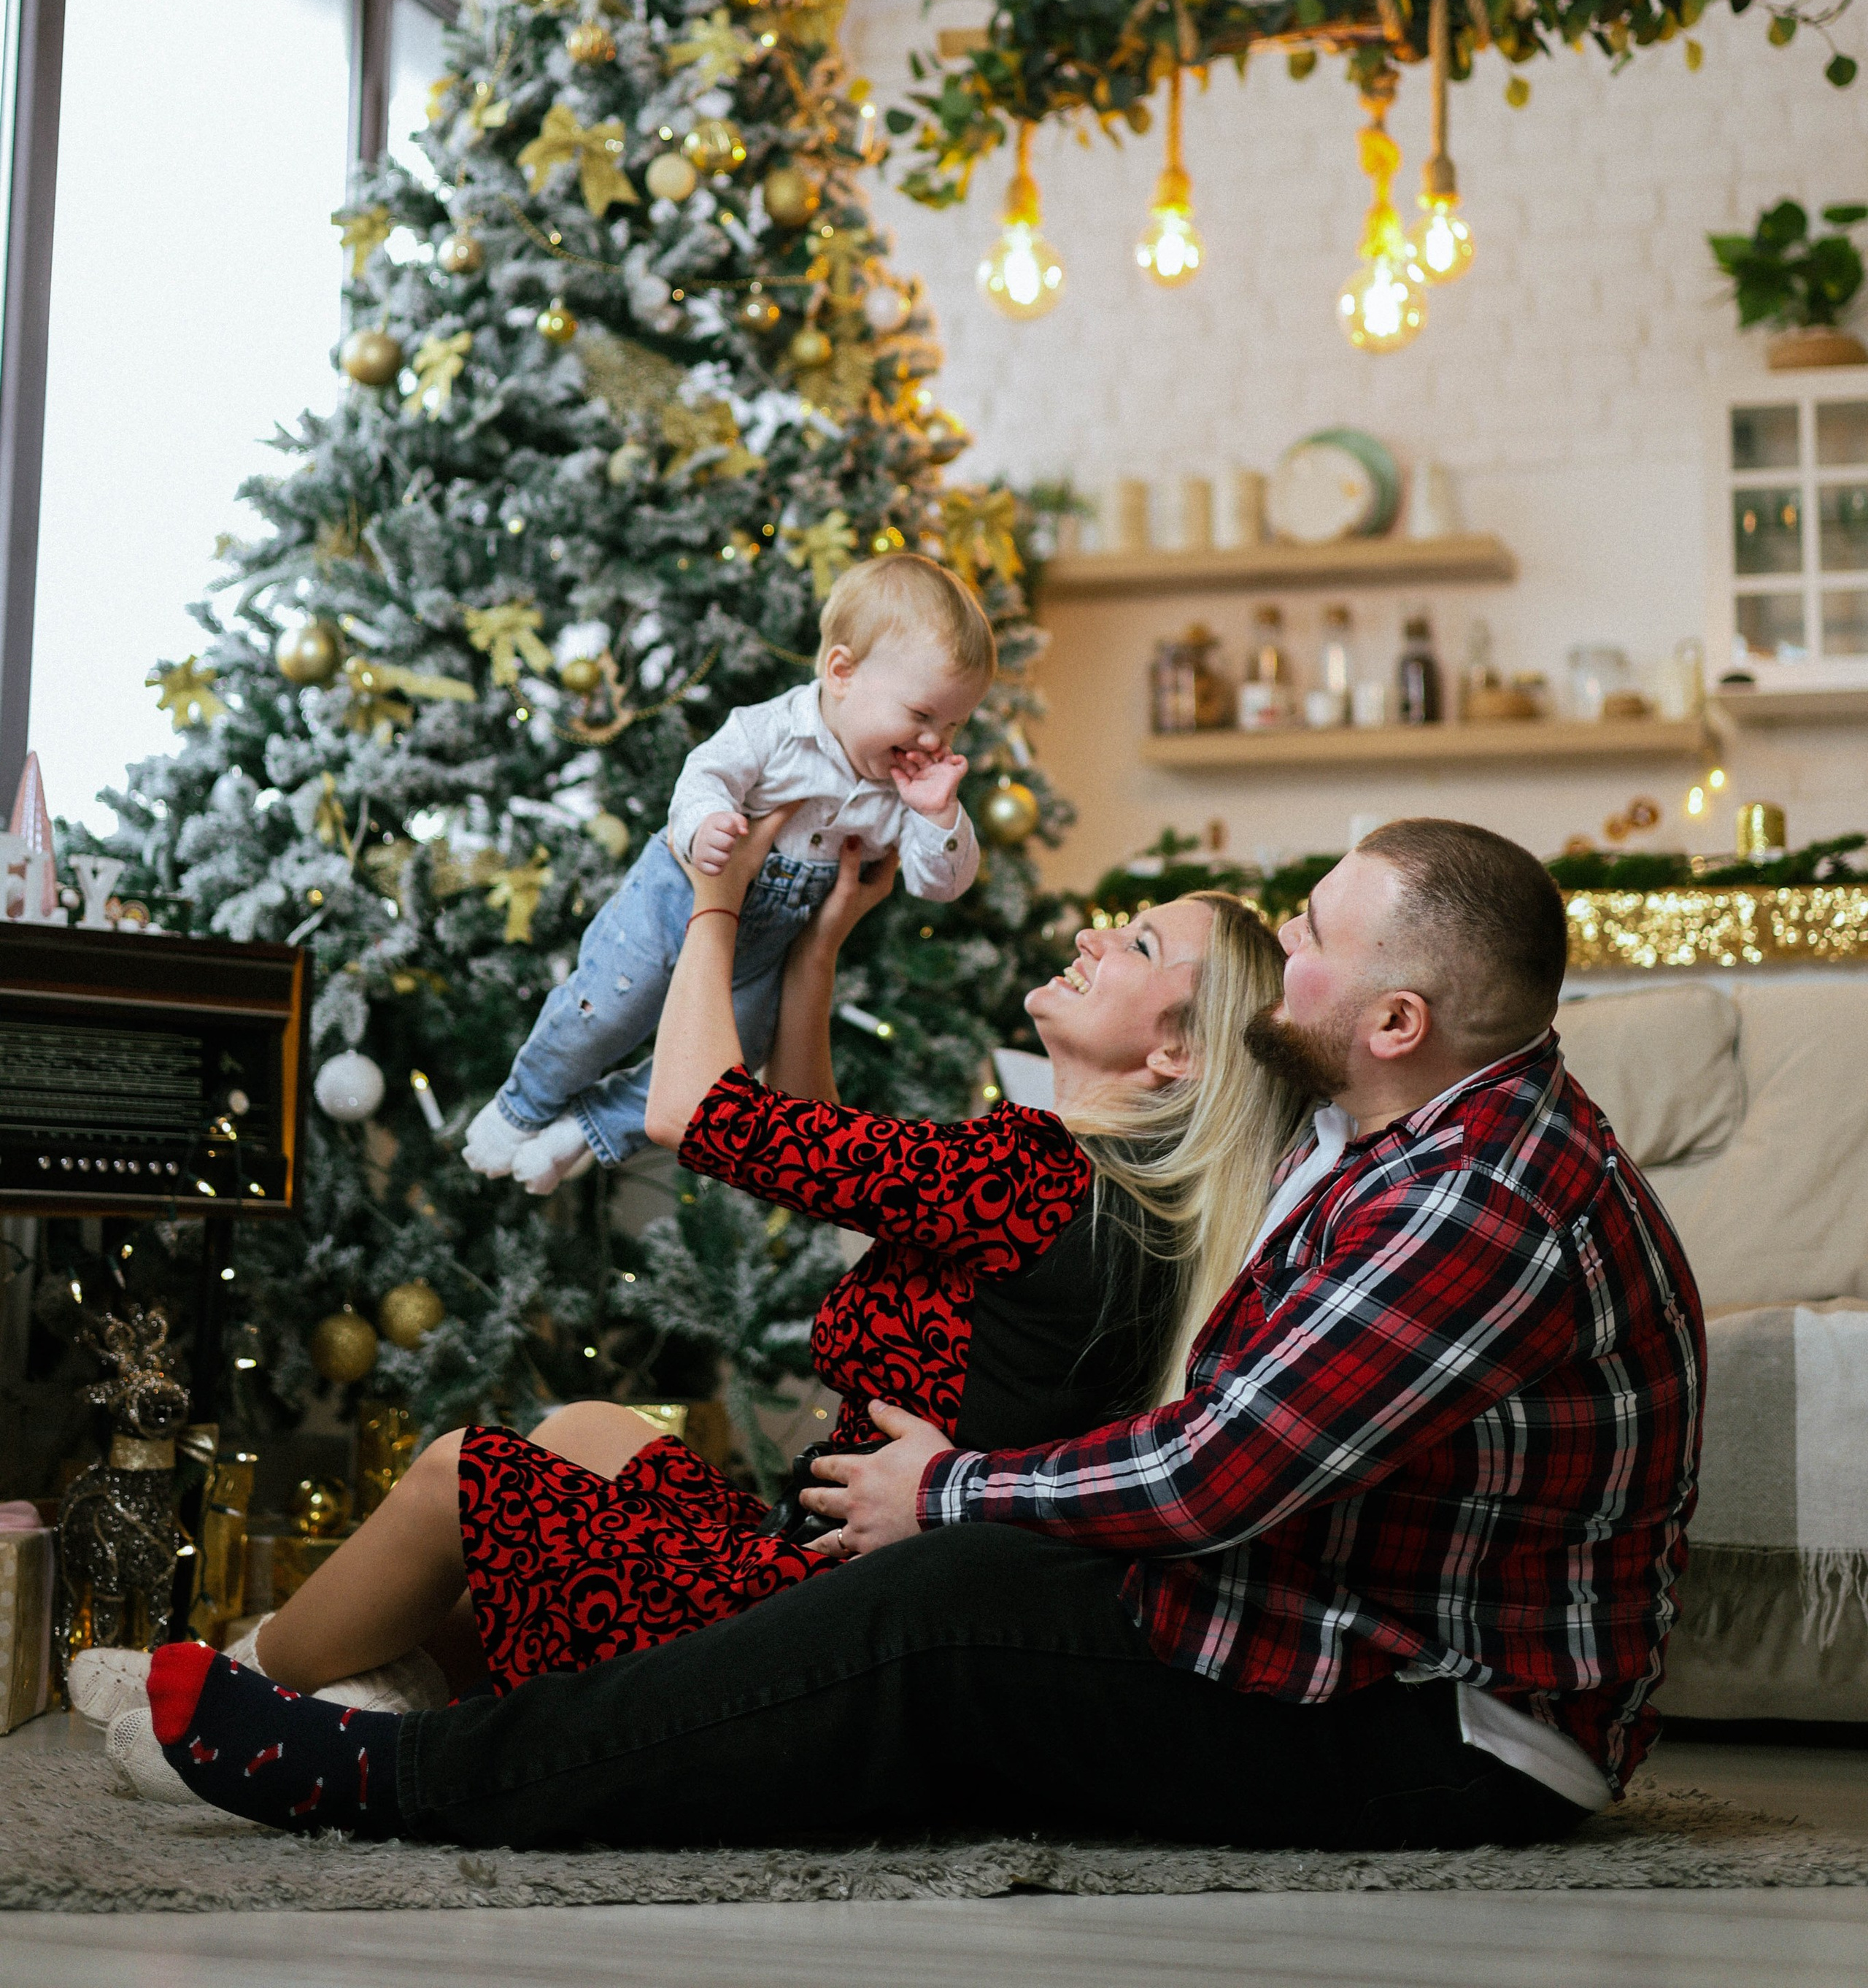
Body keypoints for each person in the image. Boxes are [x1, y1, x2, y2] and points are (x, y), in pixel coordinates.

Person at [139, 817, 1705, 1859]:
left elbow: (1218, 1470)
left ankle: (395, 1778)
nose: (1272, 963)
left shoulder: (1475, 1196)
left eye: (1304, 937)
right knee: (926, 1589)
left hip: (1449, 1729)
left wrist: (950, 1492)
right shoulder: (1383, 1148)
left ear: (1391, 1025)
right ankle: (476, 1727)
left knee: (938, 1604)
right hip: (1338, 1639)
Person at [99, 806, 1296, 1795]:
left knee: (465, 1471)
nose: (1095, 937)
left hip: (815, 1623)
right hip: (830, 1572)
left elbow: (696, 1114)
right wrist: (819, 947)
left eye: (1138, 948)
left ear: (1180, 1053)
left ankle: (231, 1690)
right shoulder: (1088, 1188)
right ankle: (348, 1687)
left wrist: (712, 897)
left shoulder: (1033, 1175)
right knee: (581, 1430)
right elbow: (829, 1162)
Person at [462, 553, 995, 1193]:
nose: (936, 741)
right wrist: (708, 821)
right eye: (922, 715)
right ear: (842, 673)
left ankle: (586, 1127)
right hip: (674, 901)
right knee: (603, 1009)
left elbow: (940, 884)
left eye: (954, 724)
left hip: (765, 949)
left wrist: (939, 816)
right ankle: (524, 1103)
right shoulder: (772, 732)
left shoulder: (903, 792)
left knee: (730, 1072)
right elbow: (704, 776)